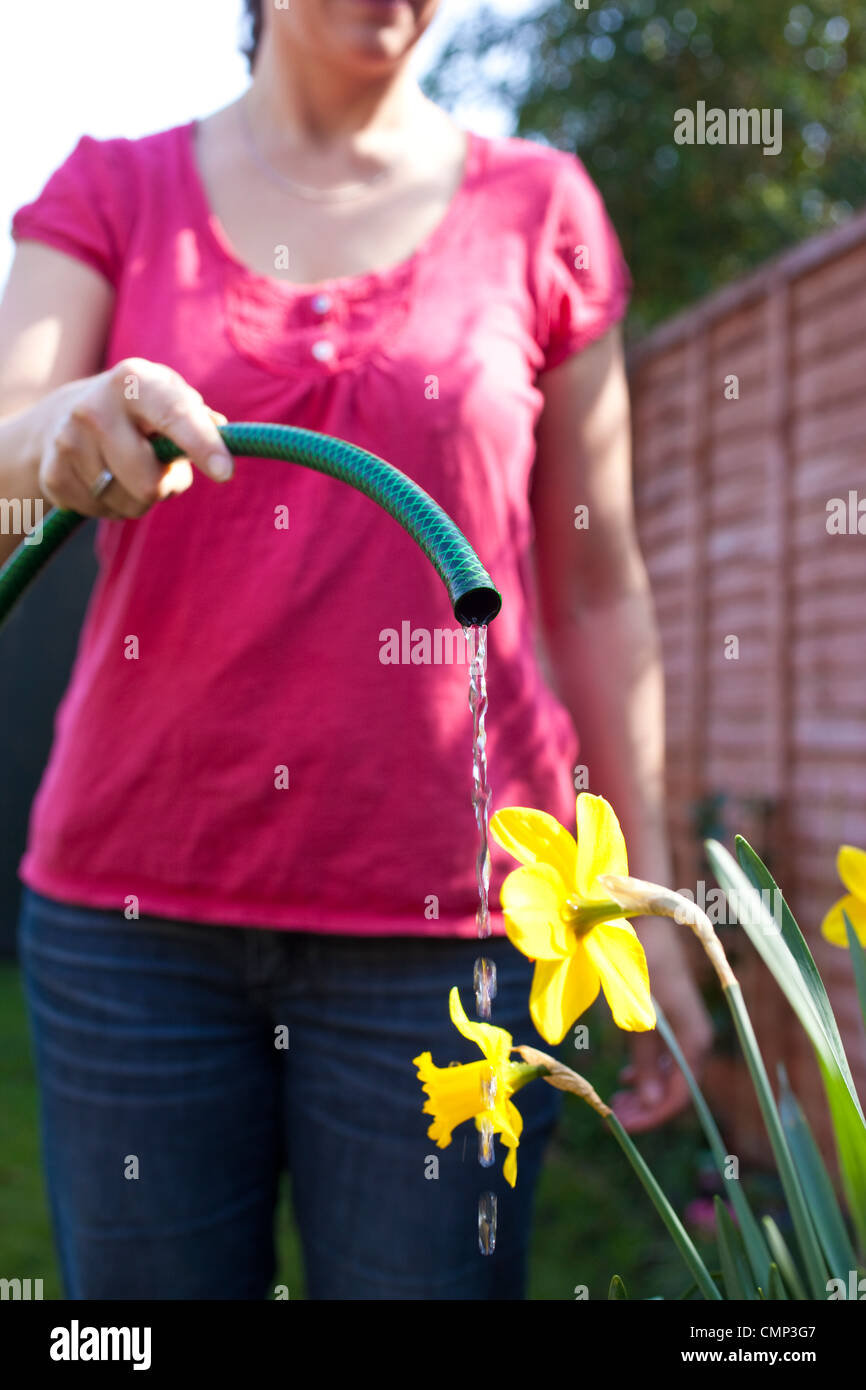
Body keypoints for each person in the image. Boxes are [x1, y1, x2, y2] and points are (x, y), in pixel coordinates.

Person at [0, 0, 711, 1300]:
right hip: (138, 917)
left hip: (459, 923)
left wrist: (647, 903)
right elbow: (4, 447)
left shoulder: (540, 207)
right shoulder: (113, 185)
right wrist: (61, 427)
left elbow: (599, 585)